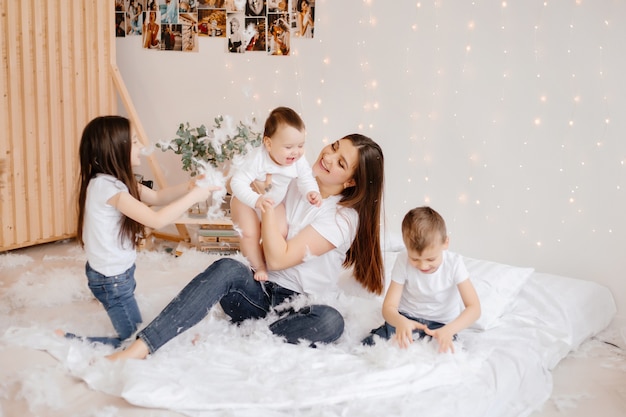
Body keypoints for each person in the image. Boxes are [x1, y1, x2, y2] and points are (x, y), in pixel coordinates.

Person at [106, 133, 385, 360]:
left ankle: (252, 336)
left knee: (331, 321)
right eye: (333, 147)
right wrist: (260, 191)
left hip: (301, 307)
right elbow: (263, 247)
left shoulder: (343, 218)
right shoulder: (296, 183)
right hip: (260, 294)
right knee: (228, 267)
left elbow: (278, 259)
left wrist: (264, 205)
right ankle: (142, 348)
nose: (327, 157)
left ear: (350, 181)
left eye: (340, 162)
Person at [56, 116, 218, 348]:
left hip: (118, 273)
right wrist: (194, 198)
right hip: (112, 280)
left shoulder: (117, 181)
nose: (141, 146)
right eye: (134, 141)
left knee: (138, 331)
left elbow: (158, 197)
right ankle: (68, 341)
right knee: (136, 344)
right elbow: (157, 219)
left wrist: (189, 186)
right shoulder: (107, 188)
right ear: (114, 148)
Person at [362, 206, 481, 353]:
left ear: (446, 243)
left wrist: (450, 330)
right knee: (370, 345)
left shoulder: (454, 264)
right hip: (407, 318)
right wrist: (400, 322)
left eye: (431, 259)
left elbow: (474, 308)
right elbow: (388, 307)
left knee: (446, 354)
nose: (423, 265)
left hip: (441, 325)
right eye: (415, 259)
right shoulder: (402, 260)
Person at [230, 107, 321, 281]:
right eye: (288, 147)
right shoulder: (258, 159)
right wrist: (255, 199)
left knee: (280, 231)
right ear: (269, 144)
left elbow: (305, 178)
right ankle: (258, 266)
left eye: (300, 146)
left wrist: (311, 191)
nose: (296, 152)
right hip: (247, 201)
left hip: (273, 202)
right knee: (249, 233)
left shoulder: (298, 160)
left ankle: (263, 257)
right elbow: (237, 182)